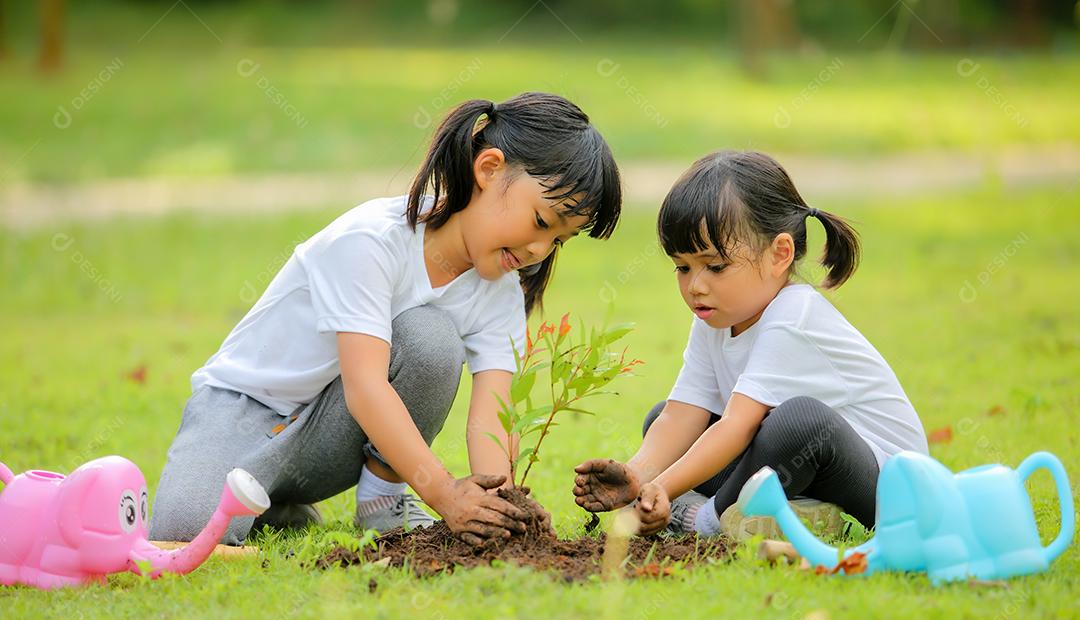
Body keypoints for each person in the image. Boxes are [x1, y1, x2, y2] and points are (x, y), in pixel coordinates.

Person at [149, 92, 622, 546]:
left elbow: (491, 420)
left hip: (327, 437)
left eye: (560, 240)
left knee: (431, 340)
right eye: (542, 222)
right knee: (182, 531)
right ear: (489, 169)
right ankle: (273, 503)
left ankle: (382, 500)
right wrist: (443, 493)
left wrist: (498, 504)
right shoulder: (371, 242)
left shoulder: (499, 290)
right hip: (243, 410)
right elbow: (366, 387)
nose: (540, 251)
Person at [572, 150, 926, 539]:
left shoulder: (793, 316)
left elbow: (738, 426)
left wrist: (665, 488)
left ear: (780, 254)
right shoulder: (715, 315)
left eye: (716, 266)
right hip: (812, 474)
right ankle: (794, 514)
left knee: (798, 422)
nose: (696, 286)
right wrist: (638, 477)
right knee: (662, 418)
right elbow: (682, 415)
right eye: (683, 267)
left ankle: (703, 522)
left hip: (890, 487)